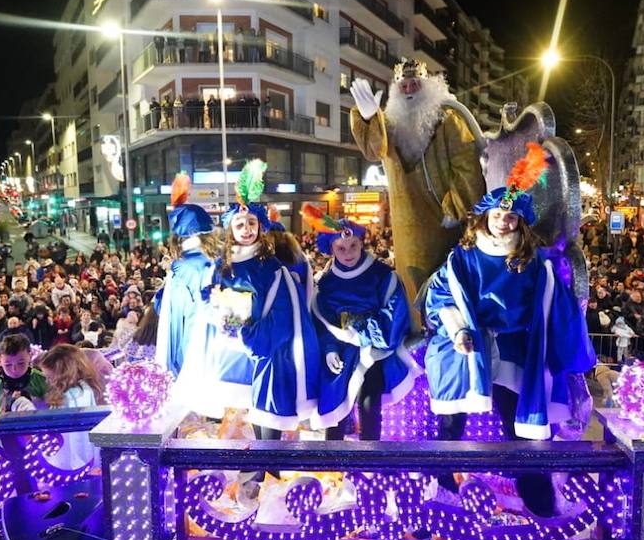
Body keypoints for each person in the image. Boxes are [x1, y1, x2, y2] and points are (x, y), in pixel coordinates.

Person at [424, 144, 596, 515]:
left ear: (520, 222)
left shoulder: (534, 262)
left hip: (516, 349)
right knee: (451, 421)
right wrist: (457, 331)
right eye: (500, 214)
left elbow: (552, 302)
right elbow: (441, 295)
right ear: (485, 217)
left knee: (523, 429)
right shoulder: (463, 257)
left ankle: (539, 501)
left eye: (513, 217)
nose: (505, 221)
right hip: (469, 345)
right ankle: (440, 493)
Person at [184, 160, 318, 446]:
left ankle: (267, 467)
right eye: (240, 224)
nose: (246, 229)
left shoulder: (271, 268)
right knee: (240, 410)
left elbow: (282, 316)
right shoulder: (220, 266)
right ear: (231, 228)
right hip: (231, 352)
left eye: (251, 223)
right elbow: (208, 301)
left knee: (265, 416)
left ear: (260, 226)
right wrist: (224, 321)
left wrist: (248, 336)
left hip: (262, 351)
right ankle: (256, 470)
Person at [349, 59, 486, 314]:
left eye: (415, 84)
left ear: (428, 86)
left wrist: (455, 208)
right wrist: (369, 119)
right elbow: (373, 150)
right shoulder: (389, 124)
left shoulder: (448, 119)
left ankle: (447, 332)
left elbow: (467, 167)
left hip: (442, 221)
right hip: (406, 225)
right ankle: (416, 332)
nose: (410, 90)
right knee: (410, 284)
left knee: (444, 282)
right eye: (404, 85)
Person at [306, 206, 419, 441]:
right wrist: (329, 349)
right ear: (332, 249)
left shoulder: (382, 276)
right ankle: (332, 461)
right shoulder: (327, 283)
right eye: (341, 248)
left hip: (374, 351)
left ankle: (370, 458)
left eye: (353, 246)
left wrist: (361, 335)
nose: (348, 252)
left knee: (369, 400)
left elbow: (393, 316)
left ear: (361, 243)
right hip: (340, 352)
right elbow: (321, 319)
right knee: (334, 402)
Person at [37, 344, 102, 469]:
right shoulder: (81, 391)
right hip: (73, 461)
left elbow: (78, 438)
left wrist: (80, 467)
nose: (48, 381)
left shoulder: (73, 396)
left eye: (50, 377)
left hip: (73, 464)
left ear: (63, 373)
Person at [0, 333, 49, 424]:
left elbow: (54, 409)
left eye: (21, 363)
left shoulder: (42, 380)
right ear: (0, 360)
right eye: (8, 364)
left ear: (29, 356)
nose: (14, 369)